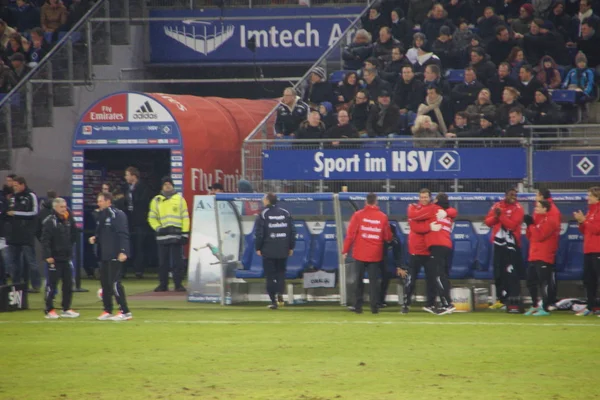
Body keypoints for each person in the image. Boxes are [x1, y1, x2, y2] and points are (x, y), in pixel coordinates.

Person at [408, 192, 458, 314]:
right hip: (447, 245)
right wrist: (447, 212)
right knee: (443, 275)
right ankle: (445, 303)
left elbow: (414, 216)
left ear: (436, 201)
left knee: (438, 275)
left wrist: (411, 208)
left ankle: (447, 304)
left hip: (437, 245)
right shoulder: (447, 214)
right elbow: (454, 211)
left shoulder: (434, 209)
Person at [342, 193, 392, 314]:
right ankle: (374, 307)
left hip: (359, 253)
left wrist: (345, 250)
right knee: (374, 282)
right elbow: (388, 236)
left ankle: (357, 307)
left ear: (366, 202)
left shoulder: (358, 215)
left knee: (358, 280)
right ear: (376, 202)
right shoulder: (383, 217)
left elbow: (350, 235)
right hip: (375, 254)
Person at [89, 192, 132, 321]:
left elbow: (123, 234)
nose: (98, 203)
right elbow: (102, 232)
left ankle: (125, 311)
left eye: (101, 201)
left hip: (115, 254)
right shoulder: (102, 215)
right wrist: (95, 239)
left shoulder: (117, 214)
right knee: (105, 284)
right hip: (104, 255)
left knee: (115, 283)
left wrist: (123, 251)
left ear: (108, 201)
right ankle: (107, 310)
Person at [484, 188, 525, 311]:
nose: (514, 197)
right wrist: (496, 217)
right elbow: (488, 222)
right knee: (498, 272)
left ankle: (513, 300)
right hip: (498, 244)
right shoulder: (497, 205)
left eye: (515, 195)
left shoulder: (518, 208)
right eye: (511, 194)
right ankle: (501, 300)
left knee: (511, 272)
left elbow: (512, 225)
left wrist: (500, 216)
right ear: (506, 195)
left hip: (512, 245)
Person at [148, 177, 190, 293]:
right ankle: (163, 284)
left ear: (173, 186)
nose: (167, 186)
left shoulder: (180, 199)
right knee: (162, 262)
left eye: (169, 184)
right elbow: (152, 218)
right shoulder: (156, 200)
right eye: (165, 184)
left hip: (176, 235)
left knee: (178, 262)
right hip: (162, 235)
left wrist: (185, 233)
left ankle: (178, 284)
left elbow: (185, 217)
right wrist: (158, 228)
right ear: (162, 186)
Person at [255, 193, 296, 310]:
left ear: (267, 201)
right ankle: (280, 293)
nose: (262, 200)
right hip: (283, 248)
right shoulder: (285, 213)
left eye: (263, 198)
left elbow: (259, 234)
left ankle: (273, 301)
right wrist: (291, 247)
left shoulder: (263, 214)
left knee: (270, 276)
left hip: (268, 249)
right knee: (281, 273)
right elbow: (292, 231)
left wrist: (258, 247)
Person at [40, 197, 79, 319]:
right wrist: (48, 255)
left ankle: (66, 308)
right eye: (61, 207)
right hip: (54, 258)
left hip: (66, 257)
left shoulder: (68, 220)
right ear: (55, 208)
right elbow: (45, 240)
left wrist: (69, 248)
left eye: (65, 206)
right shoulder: (50, 221)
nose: (64, 209)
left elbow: (74, 234)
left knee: (68, 284)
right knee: (52, 285)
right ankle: (49, 309)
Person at [403, 188, 438, 314]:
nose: (423, 199)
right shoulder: (413, 209)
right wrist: (428, 226)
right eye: (421, 197)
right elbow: (414, 227)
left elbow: (417, 224)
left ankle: (431, 304)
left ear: (430, 198)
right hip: (415, 250)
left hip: (429, 250)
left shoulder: (433, 209)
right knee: (411, 280)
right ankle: (405, 304)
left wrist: (418, 220)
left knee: (431, 280)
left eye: (426, 197)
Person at [523, 200, 559, 316]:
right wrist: (529, 226)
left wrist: (531, 225)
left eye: (538, 207)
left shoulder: (551, 220)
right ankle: (535, 305)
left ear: (545, 208)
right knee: (530, 282)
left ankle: (545, 307)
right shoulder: (538, 220)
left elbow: (540, 236)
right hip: (533, 255)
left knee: (544, 283)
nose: (535, 209)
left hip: (544, 256)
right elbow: (530, 236)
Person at [6, 176, 40, 292]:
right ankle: (16, 285)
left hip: (26, 234)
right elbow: (7, 212)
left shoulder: (31, 195)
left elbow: (34, 213)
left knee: (31, 261)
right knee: (13, 262)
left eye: (16, 185)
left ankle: (36, 285)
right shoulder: (12, 197)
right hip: (13, 234)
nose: (14, 187)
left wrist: (15, 213)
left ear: (22, 185)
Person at [573, 186, 600, 316]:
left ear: (597, 197)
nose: (587, 198)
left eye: (589, 195)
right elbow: (585, 231)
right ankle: (591, 307)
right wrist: (581, 222)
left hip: (598, 250)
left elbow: (597, 229)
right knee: (589, 280)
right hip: (588, 250)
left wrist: (584, 221)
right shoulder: (590, 211)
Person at [124, 166, 152, 279]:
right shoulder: (126, 188)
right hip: (129, 221)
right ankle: (124, 270)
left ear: (133, 176)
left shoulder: (143, 188)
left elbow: (143, 203)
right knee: (127, 245)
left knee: (139, 246)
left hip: (140, 222)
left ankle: (139, 270)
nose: (125, 177)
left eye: (127, 175)